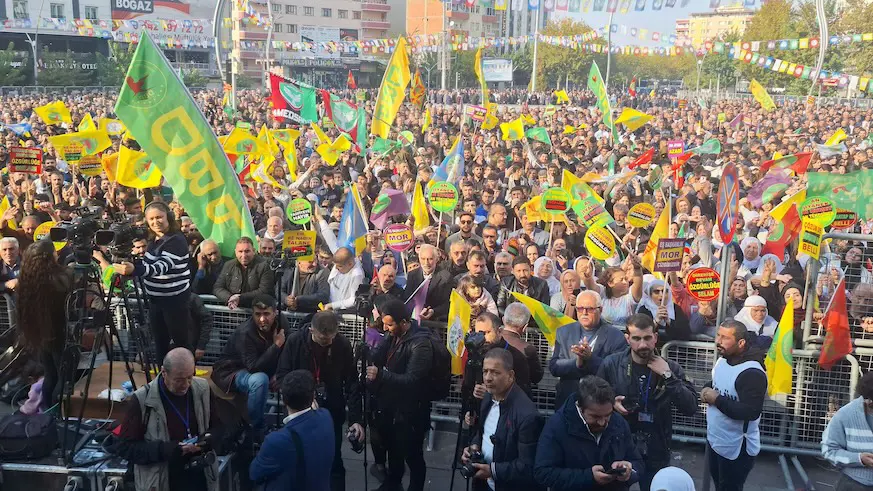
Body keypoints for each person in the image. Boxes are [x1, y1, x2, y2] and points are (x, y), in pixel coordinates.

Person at [596, 314, 699, 491]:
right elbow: (594, 399)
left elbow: (690, 407)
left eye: (647, 338)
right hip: (620, 442)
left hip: (656, 444)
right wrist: (611, 404)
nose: (642, 344)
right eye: (636, 338)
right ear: (627, 339)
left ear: (655, 338)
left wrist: (668, 377)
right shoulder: (611, 364)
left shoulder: (670, 367)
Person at [275, 311, 364, 491]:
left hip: (332, 409)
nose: (328, 342)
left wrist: (355, 419)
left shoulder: (342, 344)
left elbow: (352, 383)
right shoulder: (295, 342)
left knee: (334, 460)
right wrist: (304, 399)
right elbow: (282, 377)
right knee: (299, 460)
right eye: (324, 340)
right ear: (311, 330)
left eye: (332, 338)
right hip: (299, 411)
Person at [111, 348, 221, 491]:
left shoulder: (203, 389)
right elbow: (125, 448)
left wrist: (206, 441)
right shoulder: (142, 399)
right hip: (162, 480)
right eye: (179, 380)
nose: (186, 385)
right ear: (164, 372)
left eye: (190, 377)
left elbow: (219, 428)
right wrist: (168, 449)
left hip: (200, 477)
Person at [366, 299, 434, 491]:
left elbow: (412, 380)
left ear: (404, 322)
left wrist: (382, 375)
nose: (386, 328)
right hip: (392, 407)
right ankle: (393, 484)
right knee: (393, 450)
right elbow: (378, 357)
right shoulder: (393, 335)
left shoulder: (420, 344)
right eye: (384, 324)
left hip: (412, 410)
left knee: (413, 456)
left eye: (390, 324)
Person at [112, 201, 192, 362]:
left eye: (159, 217)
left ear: (168, 217)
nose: (156, 222)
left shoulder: (176, 240)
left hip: (174, 302)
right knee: (159, 343)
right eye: (152, 219)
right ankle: (161, 380)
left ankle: (185, 378)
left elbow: (159, 268)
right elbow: (148, 264)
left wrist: (135, 270)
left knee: (181, 344)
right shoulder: (153, 239)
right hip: (155, 300)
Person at [534, 375, 643, 491]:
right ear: (580, 407)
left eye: (608, 415)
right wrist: (588, 477)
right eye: (595, 416)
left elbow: (638, 463)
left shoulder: (619, 423)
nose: (602, 422)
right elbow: (543, 473)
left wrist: (629, 472)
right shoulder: (557, 426)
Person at [461, 348, 544, 491]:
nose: (487, 378)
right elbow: (483, 433)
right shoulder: (488, 397)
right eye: (485, 371)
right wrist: (474, 446)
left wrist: (493, 470)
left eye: (495, 372)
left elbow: (527, 466)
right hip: (484, 484)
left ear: (510, 375)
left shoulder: (528, 415)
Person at [211, 294, 289, 440]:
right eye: (257, 314)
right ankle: (258, 428)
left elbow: (288, 349)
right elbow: (253, 367)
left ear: (275, 313)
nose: (262, 319)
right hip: (232, 370)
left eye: (266, 314)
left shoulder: (282, 321)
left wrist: (279, 373)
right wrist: (276, 345)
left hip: (261, 367)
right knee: (259, 380)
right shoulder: (245, 332)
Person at [701, 320, 767, 491]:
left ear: (741, 343)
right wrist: (706, 389)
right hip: (716, 439)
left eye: (725, 338)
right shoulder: (723, 360)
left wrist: (716, 399)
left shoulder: (752, 372)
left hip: (737, 447)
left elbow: (751, 411)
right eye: (718, 335)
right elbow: (718, 384)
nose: (718, 341)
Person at [250, 370, 336, 491]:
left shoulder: (277, 441)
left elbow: (255, 473)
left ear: (284, 400)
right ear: (313, 397)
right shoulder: (326, 417)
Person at [15, 239, 72, 410]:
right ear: (50, 256)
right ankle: (57, 413)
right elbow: (71, 281)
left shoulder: (26, 279)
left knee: (50, 375)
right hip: (58, 332)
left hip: (39, 333)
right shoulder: (59, 278)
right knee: (63, 377)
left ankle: (47, 412)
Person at [549, 290, 628, 409]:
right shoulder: (564, 332)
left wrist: (590, 359)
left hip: (600, 402)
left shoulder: (616, 336)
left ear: (600, 310)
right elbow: (554, 367)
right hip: (568, 400)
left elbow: (616, 371)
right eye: (580, 308)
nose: (584, 313)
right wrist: (577, 363)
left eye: (590, 309)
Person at [821, 370, 873, 490]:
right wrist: (859, 459)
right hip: (853, 484)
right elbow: (829, 450)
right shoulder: (845, 414)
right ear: (867, 400)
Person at [469, 312, 531, 398]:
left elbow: (523, 391)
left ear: (499, 331)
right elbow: (467, 386)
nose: (482, 338)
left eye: (487, 333)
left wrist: (492, 393)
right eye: (478, 334)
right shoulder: (474, 354)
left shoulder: (516, 357)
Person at [213, 236, 275, 309]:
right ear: (235, 252)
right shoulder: (228, 265)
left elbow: (264, 291)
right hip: (231, 312)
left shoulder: (264, 266)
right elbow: (217, 287)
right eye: (240, 251)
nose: (244, 255)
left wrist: (240, 298)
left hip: (255, 312)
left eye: (247, 251)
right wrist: (230, 298)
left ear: (254, 251)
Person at [403, 244, 454, 322]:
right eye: (423, 259)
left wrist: (433, 311)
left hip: (435, 321)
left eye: (430, 259)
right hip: (413, 319)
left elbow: (447, 304)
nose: (426, 263)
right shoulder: (412, 275)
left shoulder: (446, 277)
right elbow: (407, 297)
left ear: (436, 259)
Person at [500, 303, 544, 388]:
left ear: (503, 320)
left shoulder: (492, 340)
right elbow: (536, 377)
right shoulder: (528, 349)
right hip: (520, 395)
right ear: (525, 327)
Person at [324, 247, 365, 312]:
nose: (336, 268)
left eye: (340, 266)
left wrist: (333, 305)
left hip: (346, 312)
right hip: (331, 308)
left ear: (350, 264)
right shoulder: (338, 265)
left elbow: (353, 300)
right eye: (335, 265)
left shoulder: (357, 274)